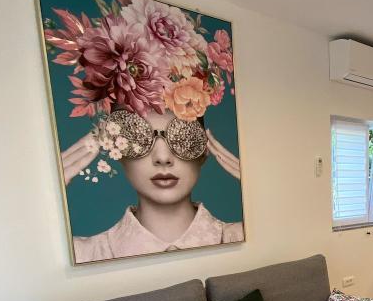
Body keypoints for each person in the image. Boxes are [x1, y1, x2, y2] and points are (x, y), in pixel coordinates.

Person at [61, 108, 243, 263]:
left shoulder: (246, 238)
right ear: (117, 151)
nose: (162, 158)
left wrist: (257, 183)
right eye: (138, 138)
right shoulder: (83, 255)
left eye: (183, 137)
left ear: (204, 150)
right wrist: (48, 191)